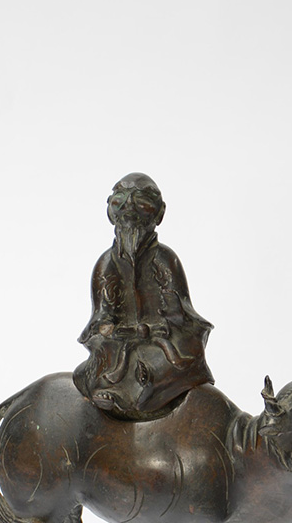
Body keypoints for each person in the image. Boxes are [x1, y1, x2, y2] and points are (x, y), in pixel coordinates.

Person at [74, 173, 214, 418]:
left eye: (141, 203)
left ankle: (152, 390)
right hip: (120, 342)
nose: (130, 211)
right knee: (107, 354)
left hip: (158, 340)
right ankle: (116, 392)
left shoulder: (165, 259)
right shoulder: (107, 263)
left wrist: (157, 328)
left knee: (176, 353)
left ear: (159, 214)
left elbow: (180, 313)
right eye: (120, 202)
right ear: (110, 213)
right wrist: (110, 329)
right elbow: (102, 316)